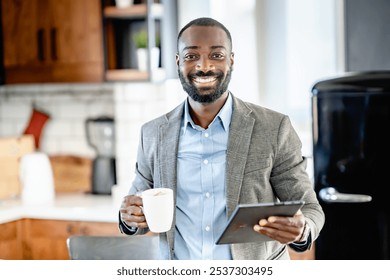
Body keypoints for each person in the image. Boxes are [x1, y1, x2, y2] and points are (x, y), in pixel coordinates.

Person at [119, 17, 325, 260]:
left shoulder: (274, 127)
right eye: (191, 56)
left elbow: (310, 209)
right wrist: (129, 218)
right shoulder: (153, 133)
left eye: (216, 55)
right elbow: (138, 210)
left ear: (231, 60)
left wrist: (302, 231)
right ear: (178, 62)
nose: (203, 66)